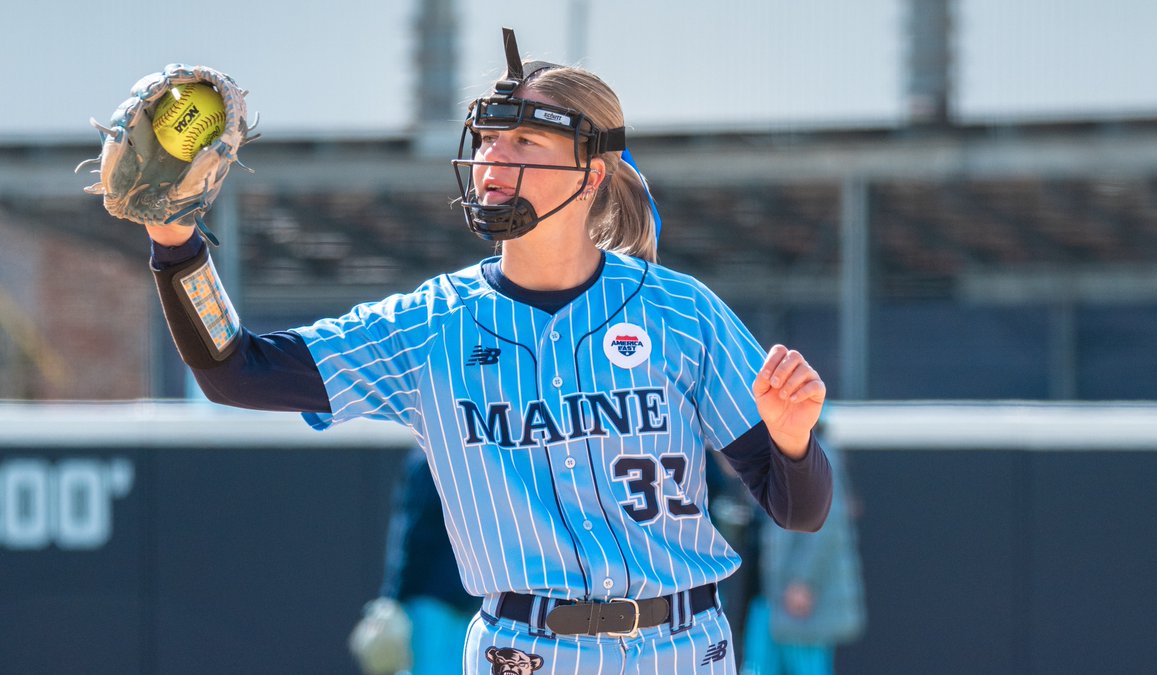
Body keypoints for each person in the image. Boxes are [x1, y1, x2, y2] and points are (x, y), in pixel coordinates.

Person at [136, 28, 833, 674]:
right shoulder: (430, 323)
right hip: (522, 650)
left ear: (592, 174)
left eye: (526, 142)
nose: (495, 157)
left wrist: (795, 442)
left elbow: (798, 507)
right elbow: (235, 371)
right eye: (490, 139)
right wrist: (175, 244)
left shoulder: (680, 311)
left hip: (683, 648)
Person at [740, 432, 866, 675]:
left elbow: (828, 526)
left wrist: (804, 581)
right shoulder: (763, 453)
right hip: (766, 597)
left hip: (796, 600)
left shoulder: (819, 455)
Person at [349, 452, 478, 675]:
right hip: (476, 595)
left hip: (431, 598)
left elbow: (412, 534)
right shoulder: (480, 459)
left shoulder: (427, 460)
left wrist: (393, 596)